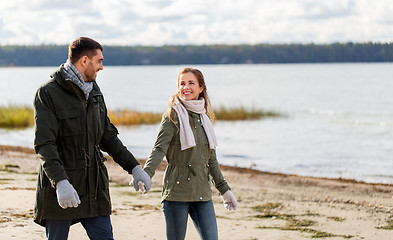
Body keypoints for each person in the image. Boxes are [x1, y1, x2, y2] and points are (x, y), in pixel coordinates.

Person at [33, 37, 151, 240]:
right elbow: (45, 144)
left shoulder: (94, 91)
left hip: (94, 187)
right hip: (62, 187)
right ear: (85, 61)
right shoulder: (47, 93)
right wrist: (60, 182)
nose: (102, 67)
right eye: (99, 61)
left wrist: (134, 167)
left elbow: (108, 136)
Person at [141, 67, 238, 240]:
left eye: (191, 83)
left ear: (201, 88)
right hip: (176, 193)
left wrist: (225, 190)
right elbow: (159, 149)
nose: (186, 87)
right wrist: (146, 174)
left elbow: (211, 160)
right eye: (182, 83)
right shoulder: (172, 115)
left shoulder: (204, 118)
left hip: (202, 192)